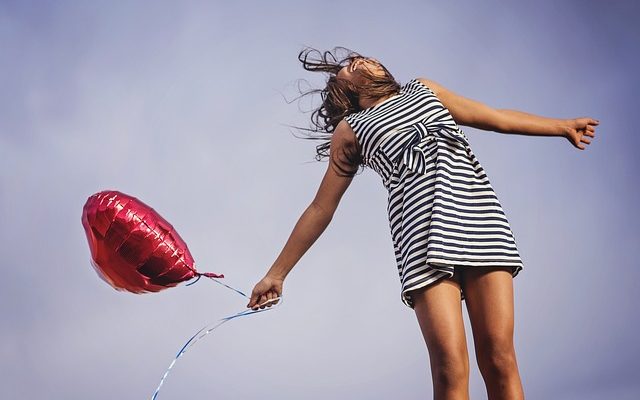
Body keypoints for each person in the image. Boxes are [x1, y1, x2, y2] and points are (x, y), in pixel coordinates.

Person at [246, 47, 598, 399]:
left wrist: (561, 126)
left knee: (499, 356)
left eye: (360, 57)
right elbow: (321, 208)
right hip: (420, 240)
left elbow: (495, 117)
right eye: (350, 68)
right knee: (449, 366)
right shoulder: (351, 130)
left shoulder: (423, 89)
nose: (359, 61)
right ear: (345, 90)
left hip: (480, 221)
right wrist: (276, 273)